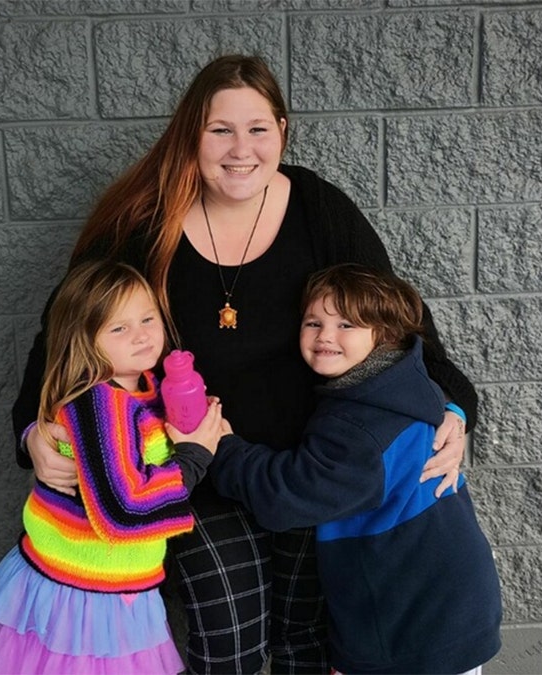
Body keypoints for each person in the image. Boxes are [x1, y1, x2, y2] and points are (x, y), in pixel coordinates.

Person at [11, 54, 480, 674]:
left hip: (303, 463)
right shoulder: (143, 224)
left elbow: (395, 318)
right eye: (219, 130)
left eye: (258, 129)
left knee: (306, 639)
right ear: (191, 136)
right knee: (230, 638)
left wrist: (454, 407)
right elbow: (63, 332)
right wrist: (30, 431)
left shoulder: (317, 208)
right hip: (192, 467)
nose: (241, 149)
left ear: (282, 131)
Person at [208, 263, 503, 675]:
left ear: (382, 335)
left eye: (346, 324)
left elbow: (286, 495)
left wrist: (220, 448)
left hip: (418, 626)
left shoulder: (362, 429)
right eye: (313, 322)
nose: (325, 335)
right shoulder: (404, 386)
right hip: (447, 604)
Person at [0, 261, 227, 674]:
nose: (142, 334)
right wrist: (195, 455)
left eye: (147, 318)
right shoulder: (100, 404)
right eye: (119, 328)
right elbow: (124, 509)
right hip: (83, 600)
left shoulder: (141, 386)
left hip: (112, 588)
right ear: (85, 340)